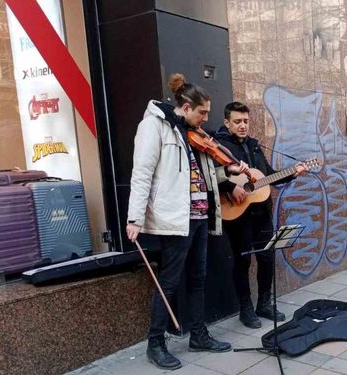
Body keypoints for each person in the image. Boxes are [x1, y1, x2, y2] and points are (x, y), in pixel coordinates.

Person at [127, 74, 249, 370]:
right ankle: (155, 343)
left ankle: (198, 334)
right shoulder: (153, 127)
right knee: (168, 282)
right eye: (202, 112)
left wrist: (233, 171)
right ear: (185, 106)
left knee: (198, 278)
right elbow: (141, 173)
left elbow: (206, 174)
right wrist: (134, 217)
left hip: (200, 215)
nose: (205, 119)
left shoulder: (195, 135)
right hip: (174, 218)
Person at [214, 102, 309, 329]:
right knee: (243, 261)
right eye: (237, 121)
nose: (243, 125)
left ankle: (264, 303)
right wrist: (230, 187)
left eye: (246, 121)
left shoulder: (255, 147)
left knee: (267, 258)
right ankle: (245, 309)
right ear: (227, 122)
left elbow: (268, 177)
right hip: (237, 215)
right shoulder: (219, 147)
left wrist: (294, 173)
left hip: (261, 213)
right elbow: (212, 177)